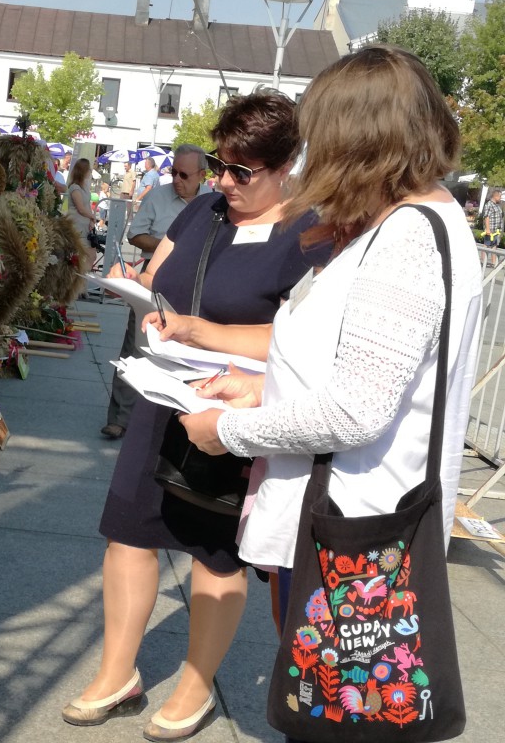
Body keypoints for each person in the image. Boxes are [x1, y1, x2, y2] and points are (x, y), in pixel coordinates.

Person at [169, 48, 482, 741]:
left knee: (335, 719)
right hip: (353, 514)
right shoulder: (414, 222)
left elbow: (356, 409)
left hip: (355, 527)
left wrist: (229, 430)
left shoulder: (406, 238)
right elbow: (363, 377)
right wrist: (262, 387)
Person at [63, 92, 324, 741]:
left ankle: (195, 684)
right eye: (218, 164)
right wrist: (146, 300)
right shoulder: (205, 210)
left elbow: (304, 342)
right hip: (163, 395)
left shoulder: (310, 234)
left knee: (217, 554)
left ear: (286, 165)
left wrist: (204, 335)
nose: (223, 182)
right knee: (128, 531)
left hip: (234, 410)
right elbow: (160, 275)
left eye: (242, 171)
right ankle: (117, 673)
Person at [100, 144, 211, 440]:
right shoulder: (159, 196)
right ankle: (119, 419)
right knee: (136, 347)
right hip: (154, 278)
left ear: (202, 174)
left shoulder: (215, 202)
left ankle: (169, 423)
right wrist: (166, 244)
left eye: (184, 174)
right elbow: (135, 234)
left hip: (196, 282)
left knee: (184, 353)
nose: (177, 179)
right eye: (174, 172)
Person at [66, 157, 98, 267]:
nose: (90, 172)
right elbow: (80, 208)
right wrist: (92, 216)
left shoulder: (84, 186)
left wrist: (91, 220)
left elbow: (87, 206)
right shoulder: (75, 188)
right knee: (83, 254)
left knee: (91, 254)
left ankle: (83, 277)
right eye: (88, 169)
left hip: (85, 225)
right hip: (77, 224)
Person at [483, 188, 502, 252]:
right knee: (486, 246)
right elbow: (487, 217)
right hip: (490, 230)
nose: (500, 198)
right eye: (500, 196)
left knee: (494, 248)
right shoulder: (489, 204)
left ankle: (493, 262)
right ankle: (483, 262)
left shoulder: (497, 205)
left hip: (496, 231)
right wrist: (488, 229)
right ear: (495, 196)